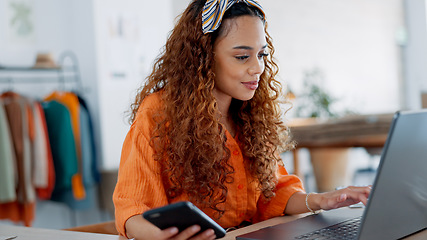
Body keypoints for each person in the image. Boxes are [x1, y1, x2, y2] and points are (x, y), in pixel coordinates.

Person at [112, 0, 371, 239]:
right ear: (203, 58)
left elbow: (273, 194)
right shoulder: (158, 112)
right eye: (242, 56)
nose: (257, 67)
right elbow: (132, 210)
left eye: (261, 54)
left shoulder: (250, 113)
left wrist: (320, 201)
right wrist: (162, 237)